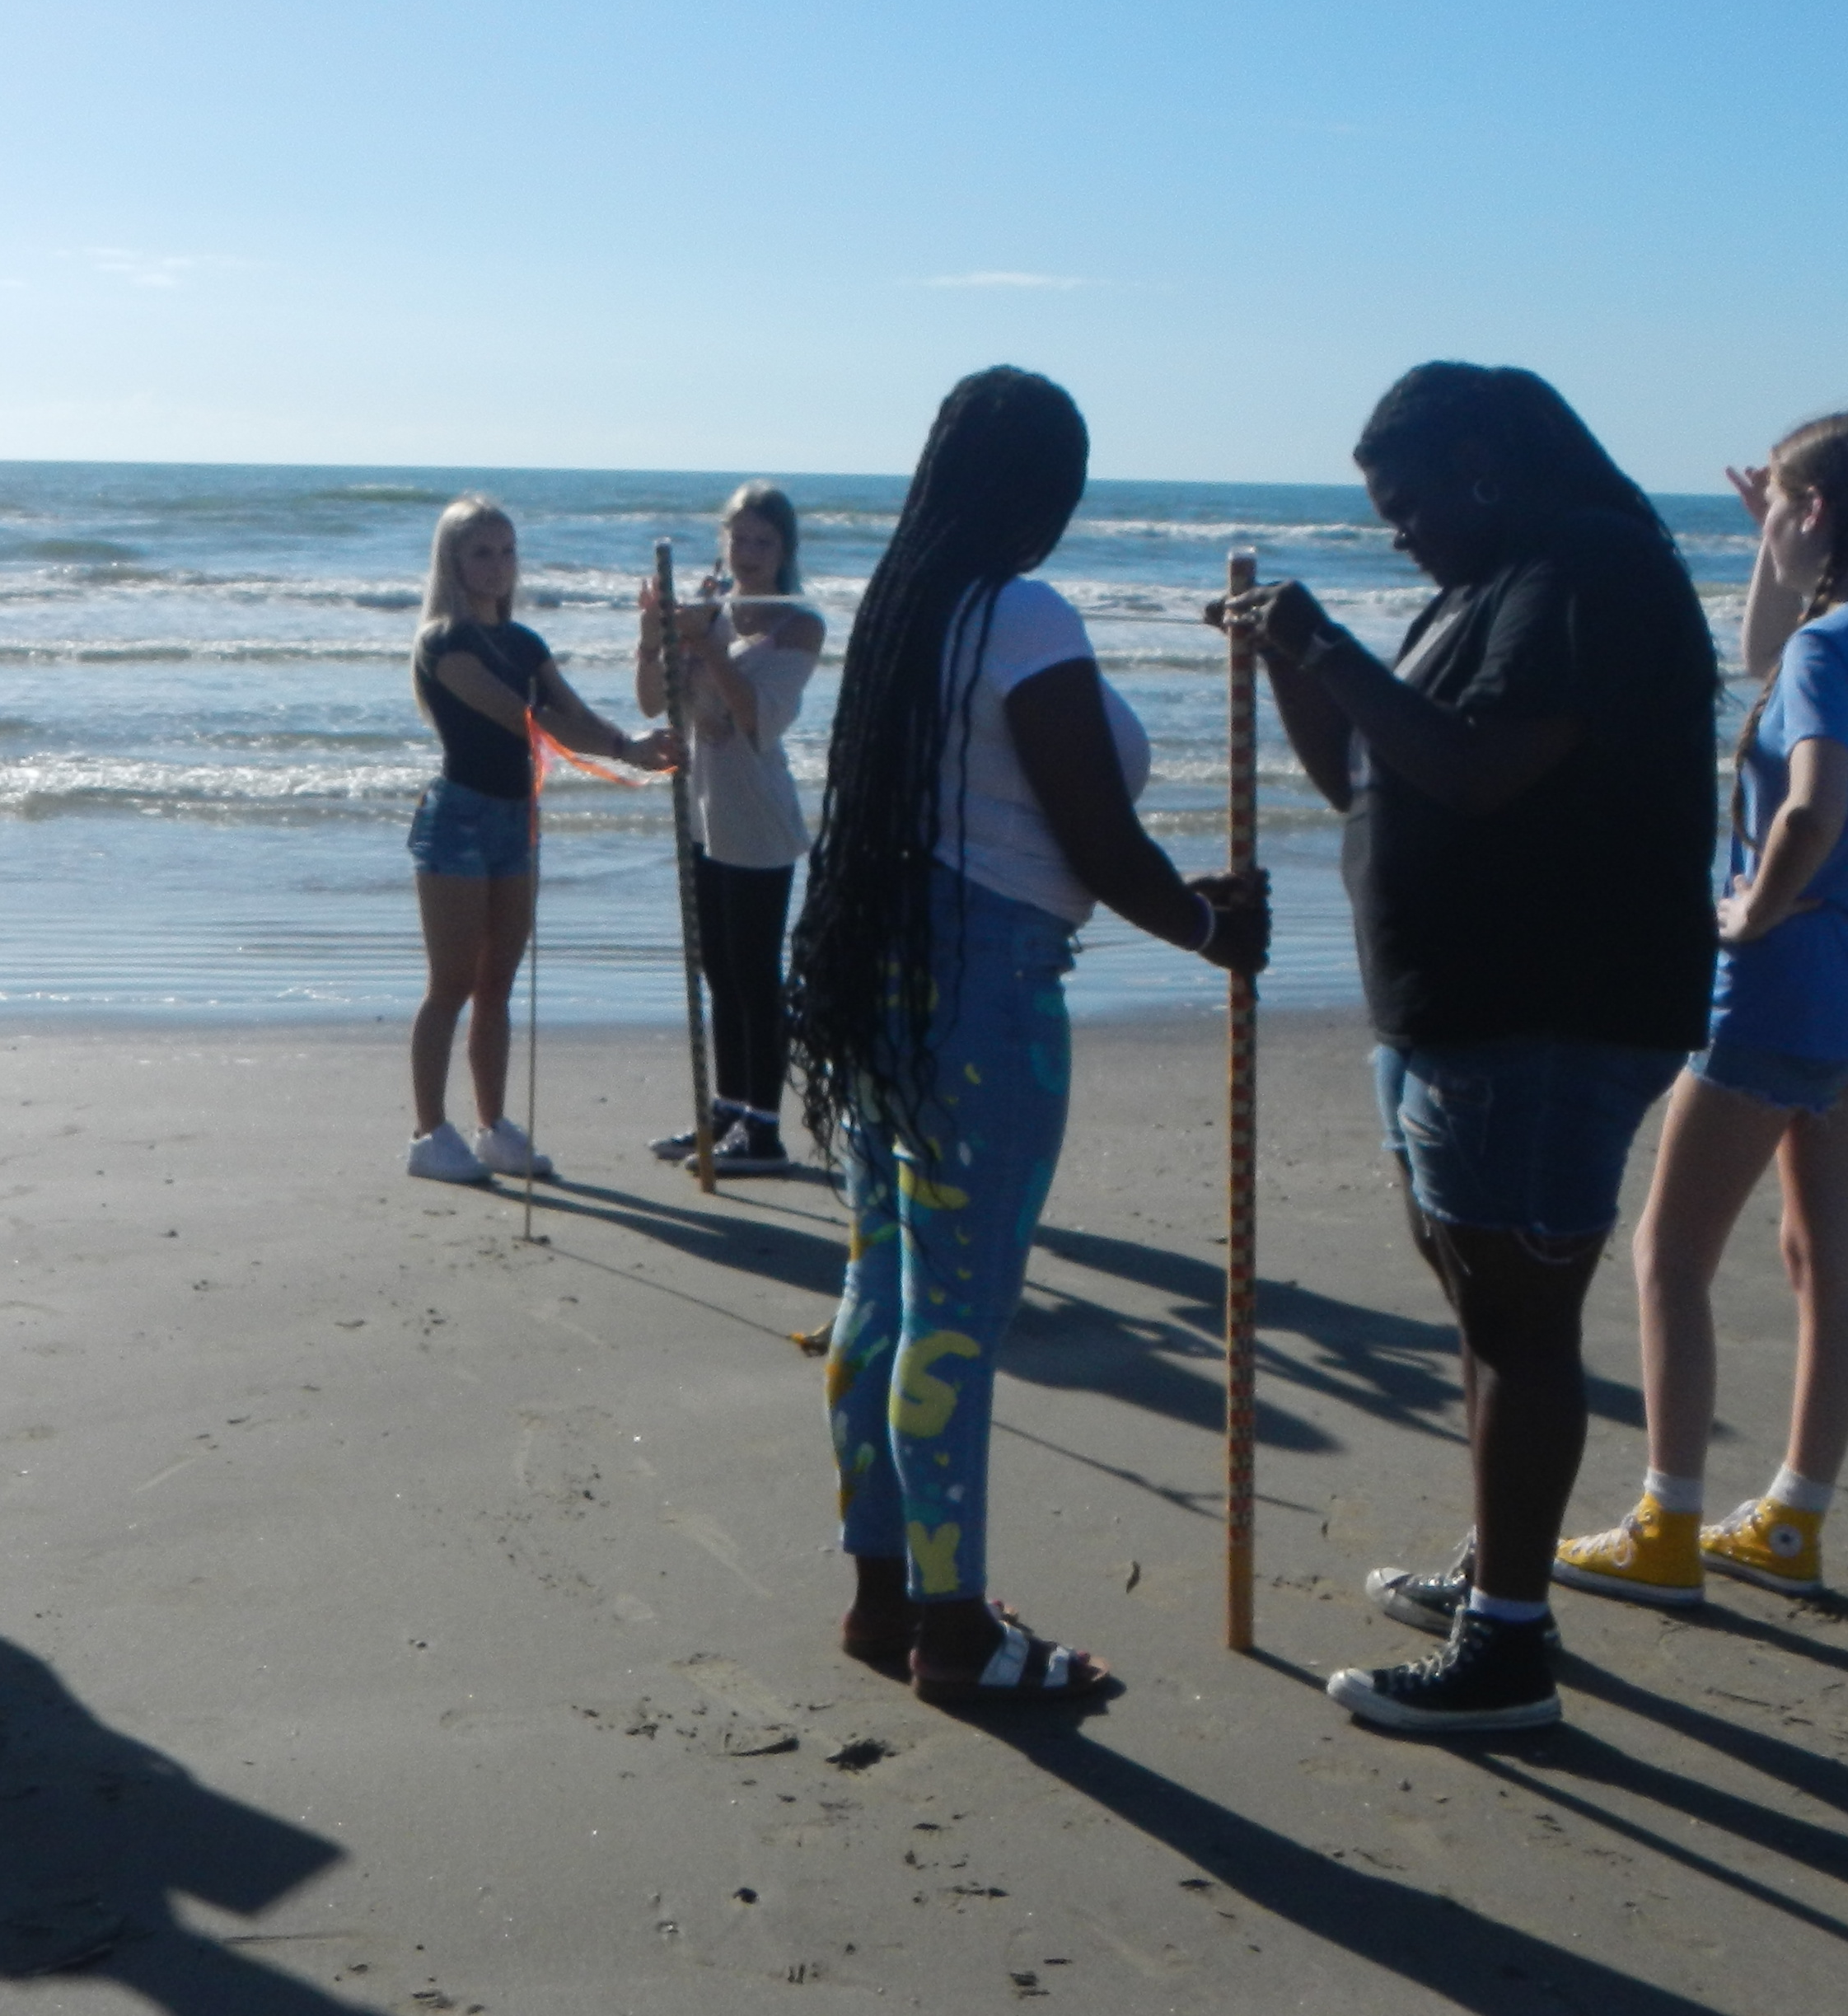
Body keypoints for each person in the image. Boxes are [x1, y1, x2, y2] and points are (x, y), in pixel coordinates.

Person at [1222, 363, 1717, 1734]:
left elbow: (1477, 770)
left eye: (1404, 503)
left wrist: (1324, 646)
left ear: (1483, 466)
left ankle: (1508, 1648)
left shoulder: (1584, 574)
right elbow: (1371, 774)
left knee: (1518, 1315)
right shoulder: (1488, 586)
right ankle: (1495, 1578)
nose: (1397, 532)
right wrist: (1290, 663)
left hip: (1543, 1010)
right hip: (1461, 1010)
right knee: (1479, 1295)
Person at [793, 367, 1267, 1706]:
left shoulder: (912, 609)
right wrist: (1200, 927)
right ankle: (956, 1632)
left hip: (887, 979)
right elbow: (1090, 831)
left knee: (882, 1296)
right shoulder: (1020, 611)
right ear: (1041, 492)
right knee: (951, 1313)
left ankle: (883, 1598)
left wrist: (1181, 902)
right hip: (985, 996)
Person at [1553, 413, 1848, 1610]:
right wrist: (1772, 551)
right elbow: (1767, 657)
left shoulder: (1832, 650)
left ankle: (1668, 1524)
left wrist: (1751, 912)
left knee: (1668, 1254)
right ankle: (1791, 1519)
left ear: (1820, 509)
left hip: (1786, 990)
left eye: (1782, 500)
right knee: (1822, 1252)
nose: (1769, 515)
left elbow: (1812, 805)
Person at [405, 495, 676, 1182]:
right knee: (452, 985)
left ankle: (493, 1127)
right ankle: (429, 1135)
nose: (497, 566)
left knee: (498, 983)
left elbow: (571, 710)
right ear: (454, 561)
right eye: (481, 553)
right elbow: (527, 720)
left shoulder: (526, 642)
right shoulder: (445, 641)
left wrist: (631, 746)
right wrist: (618, 746)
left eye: (506, 551)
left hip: (514, 818)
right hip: (459, 817)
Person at [634, 480, 825, 1175]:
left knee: (753, 969)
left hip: (758, 817)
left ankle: (766, 1129)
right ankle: (729, 1108)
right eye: (738, 539)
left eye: (762, 542)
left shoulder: (797, 623)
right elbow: (656, 700)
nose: (747, 554)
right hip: (705, 810)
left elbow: (760, 721)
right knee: (716, 965)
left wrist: (710, 644)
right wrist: (652, 634)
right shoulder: (710, 608)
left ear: (784, 550)